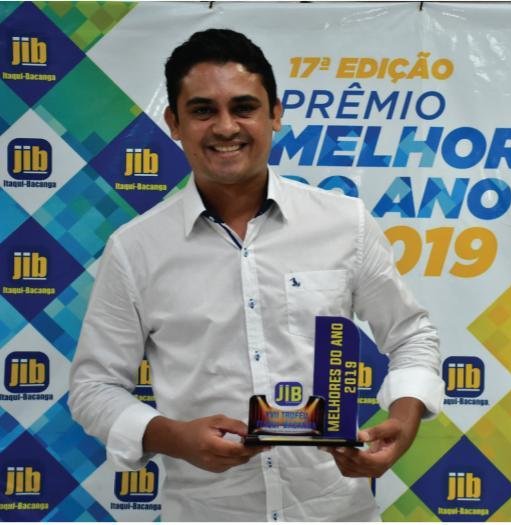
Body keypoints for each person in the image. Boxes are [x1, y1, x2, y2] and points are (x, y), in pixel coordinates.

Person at [69, 28, 444, 521]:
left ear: (275, 115)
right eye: (203, 110)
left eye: (244, 107)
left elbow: (411, 335)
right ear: (174, 123)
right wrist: (173, 437)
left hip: (333, 512)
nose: (226, 127)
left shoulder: (344, 224)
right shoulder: (135, 249)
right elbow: (94, 387)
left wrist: (405, 418)